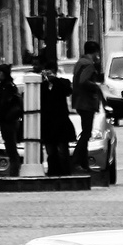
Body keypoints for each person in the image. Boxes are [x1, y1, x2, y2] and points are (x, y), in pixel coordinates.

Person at [39, 48, 75, 177]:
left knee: (63, 151)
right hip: (48, 124)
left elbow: (67, 91)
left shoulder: (62, 83)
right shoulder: (42, 86)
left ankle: (65, 172)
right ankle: (53, 172)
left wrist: (54, 80)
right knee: (51, 151)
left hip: (60, 123)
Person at [71, 40, 104, 172]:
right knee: (86, 134)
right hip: (87, 103)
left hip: (79, 102)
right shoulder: (88, 65)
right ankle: (76, 161)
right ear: (95, 53)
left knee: (86, 132)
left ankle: (84, 164)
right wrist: (96, 86)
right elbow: (84, 81)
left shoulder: (79, 63)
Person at [0, 65, 24, 177]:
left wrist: (3, 113)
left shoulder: (8, 87)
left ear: (2, 73)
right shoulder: (6, 86)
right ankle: (14, 171)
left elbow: (4, 103)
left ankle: (14, 173)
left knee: (11, 149)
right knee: (10, 148)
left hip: (9, 122)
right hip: (7, 121)